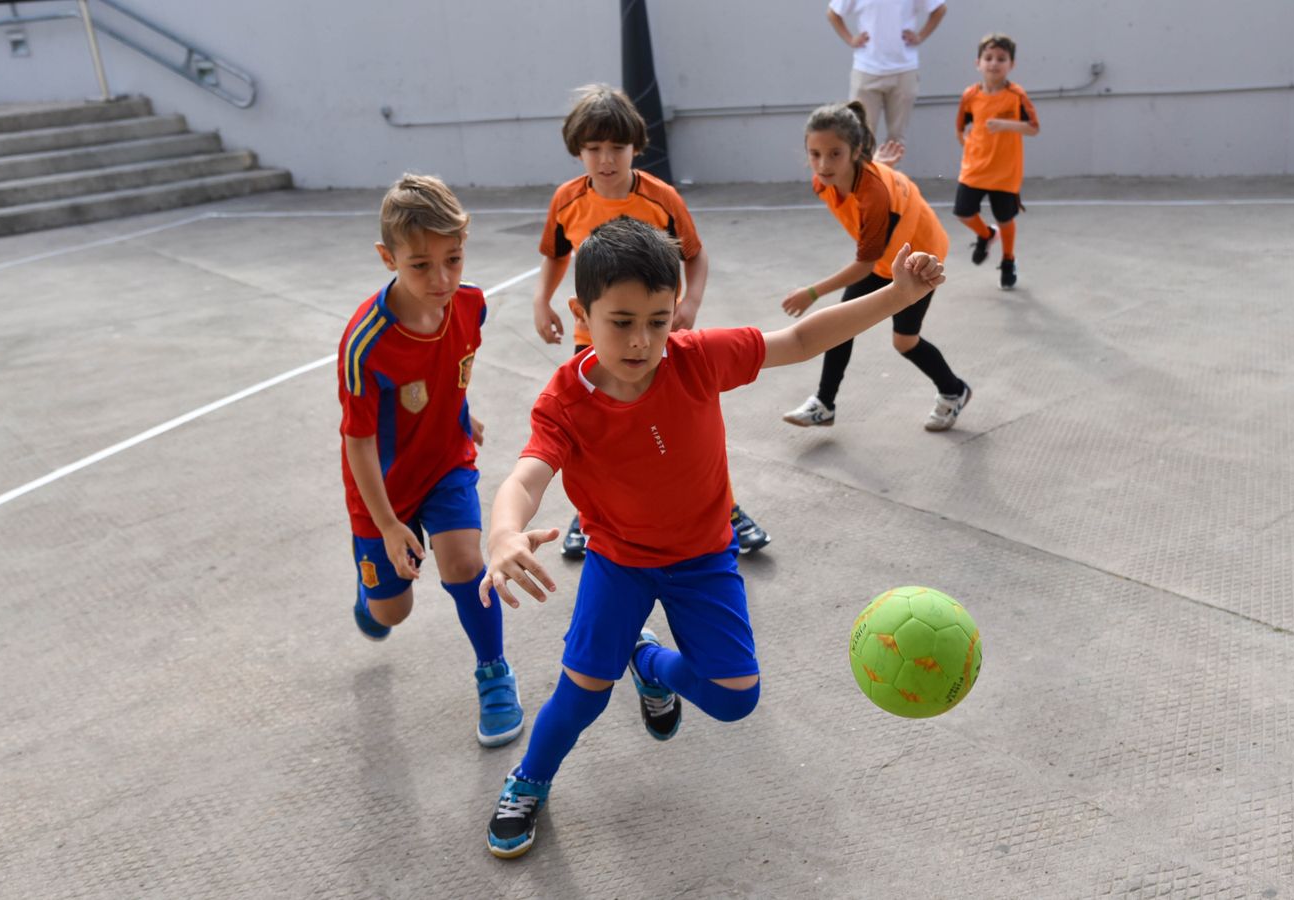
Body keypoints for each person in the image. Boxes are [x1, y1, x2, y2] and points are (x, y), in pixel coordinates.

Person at [478, 217, 946, 858]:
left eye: (658, 319)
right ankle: (529, 779)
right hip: (620, 561)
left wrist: (897, 295)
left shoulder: (695, 359)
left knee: (734, 699)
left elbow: (803, 338)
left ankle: (646, 661)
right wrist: (504, 533)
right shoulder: (565, 401)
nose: (643, 340)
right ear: (581, 312)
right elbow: (527, 478)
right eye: (621, 322)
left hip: (703, 557)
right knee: (581, 696)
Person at [531, 84, 771, 557]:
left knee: (685, 439)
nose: (605, 159)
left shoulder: (660, 199)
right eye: (593, 148)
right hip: (595, 338)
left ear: (635, 147)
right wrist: (543, 300)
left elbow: (696, 258)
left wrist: (691, 304)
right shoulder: (567, 200)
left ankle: (727, 510)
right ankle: (588, 517)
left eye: (616, 147)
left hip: (655, 340)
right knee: (598, 438)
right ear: (577, 150)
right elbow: (556, 254)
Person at [338, 174, 523, 748]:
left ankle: (493, 673)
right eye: (420, 265)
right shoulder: (365, 345)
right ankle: (373, 592)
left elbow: (450, 367)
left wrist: (461, 413)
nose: (442, 279)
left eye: (454, 259)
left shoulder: (470, 306)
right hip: (384, 492)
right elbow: (360, 441)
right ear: (386, 257)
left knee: (466, 563)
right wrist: (390, 525)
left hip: (446, 462)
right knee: (393, 614)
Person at [780, 101, 971, 433]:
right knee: (842, 326)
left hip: (918, 257)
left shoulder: (873, 195)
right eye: (815, 154)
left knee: (905, 342)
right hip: (885, 256)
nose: (823, 164)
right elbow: (866, 186)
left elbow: (863, 264)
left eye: (835, 153)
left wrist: (811, 293)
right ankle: (824, 405)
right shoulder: (826, 180)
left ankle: (954, 390)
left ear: (855, 152)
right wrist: (878, 167)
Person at [954, 32, 1039, 290]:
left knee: (1005, 218)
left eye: (1001, 58)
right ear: (977, 63)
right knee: (963, 212)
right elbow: (961, 128)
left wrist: (1005, 124)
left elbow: (1033, 128)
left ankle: (1008, 259)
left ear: (1011, 64)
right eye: (988, 57)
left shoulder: (1016, 95)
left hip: (1005, 172)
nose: (994, 63)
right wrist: (969, 146)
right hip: (975, 169)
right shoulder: (970, 96)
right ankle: (986, 234)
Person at [826, 0, 947, 148]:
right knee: (862, 137)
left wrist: (920, 36)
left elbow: (939, 9)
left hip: (903, 70)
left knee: (896, 140)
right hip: (867, 70)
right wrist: (850, 39)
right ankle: (864, 171)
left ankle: (889, 171)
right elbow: (833, 12)